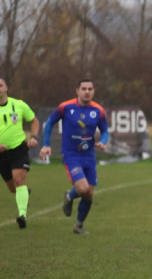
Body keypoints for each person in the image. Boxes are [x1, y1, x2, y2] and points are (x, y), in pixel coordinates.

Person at [38, 79, 109, 234]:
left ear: (94, 91)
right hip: (71, 155)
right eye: (84, 88)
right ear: (77, 91)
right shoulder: (66, 107)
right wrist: (46, 144)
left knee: (89, 193)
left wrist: (103, 142)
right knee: (83, 188)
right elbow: (49, 123)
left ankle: (78, 225)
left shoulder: (98, 110)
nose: (87, 91)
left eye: (90, 88)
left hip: (89, 156)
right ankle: (69, 196)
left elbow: (105, 131)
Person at [0, 76, 40, 229]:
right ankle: (23, 192)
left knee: (19, 179)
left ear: (6, 88)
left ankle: (22, 215)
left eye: (0, 85)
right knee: (13, 188)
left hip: (18, 150)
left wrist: (34, 137)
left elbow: (34, 120)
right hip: (1, 156)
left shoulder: (19, 105)